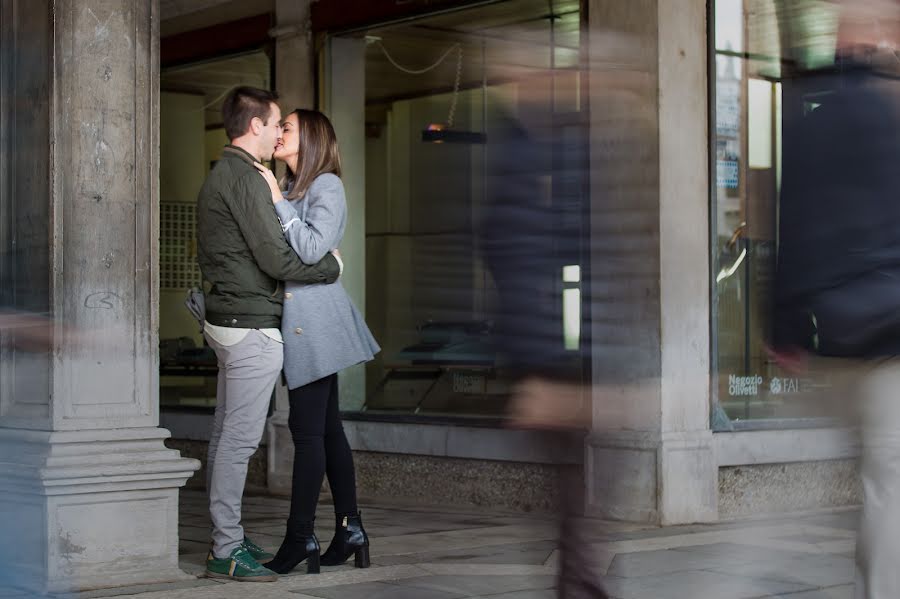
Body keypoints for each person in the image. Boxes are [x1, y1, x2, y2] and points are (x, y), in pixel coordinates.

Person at [771, 2, 900, 597]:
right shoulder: (891, 112)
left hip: (831, 334)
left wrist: (784, 326)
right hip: (888, 338)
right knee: (886, 484)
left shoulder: (807, 116)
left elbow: (789, 223)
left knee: (866, 478)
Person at [196, 88, 343, 582]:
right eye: (277, 122)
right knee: (237, 443)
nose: (280, 131)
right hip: (250, 326)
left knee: (223, 436)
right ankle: (226, 548)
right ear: (255, 125)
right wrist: (332, 267)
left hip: (232, 320)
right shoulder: (246, 178)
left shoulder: (232, 173)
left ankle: (228, 539)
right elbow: (278, 258)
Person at [253, 109, 380, 575]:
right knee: (327, 431)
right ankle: (351, 529)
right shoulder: (291, 190)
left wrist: (274, 199)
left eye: (287, 126)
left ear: (310, 138)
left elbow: (308, 250)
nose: (280, 132)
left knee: (307, 435)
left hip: (317, 325)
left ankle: (299, 538)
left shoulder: (327, 185)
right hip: (302, 321)